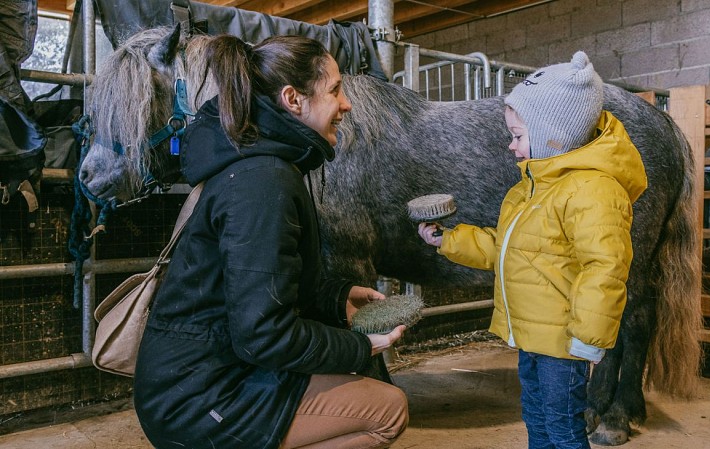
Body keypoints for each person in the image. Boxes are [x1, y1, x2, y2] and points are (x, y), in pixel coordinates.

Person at [134, 34, 408, 449]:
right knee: (387, 410)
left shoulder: (264, 165)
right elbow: (263, 334)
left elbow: (269, 282)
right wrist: (358, 347)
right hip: (197, 396)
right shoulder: (263, 181)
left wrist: (337, 299)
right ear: (293, 100)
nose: (346, 104)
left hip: (206, 373)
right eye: (335, 90)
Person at [417, 51, 647, 449]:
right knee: (537, 420)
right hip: (530, 337)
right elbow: (503, 248)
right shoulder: (529, 189)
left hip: (562, 342)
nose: (510, 145)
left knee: (562, 427)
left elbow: (605, 268)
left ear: (554, 135)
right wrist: (448, 240)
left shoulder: (593, 191)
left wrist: (589, 339)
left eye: (518, 135)